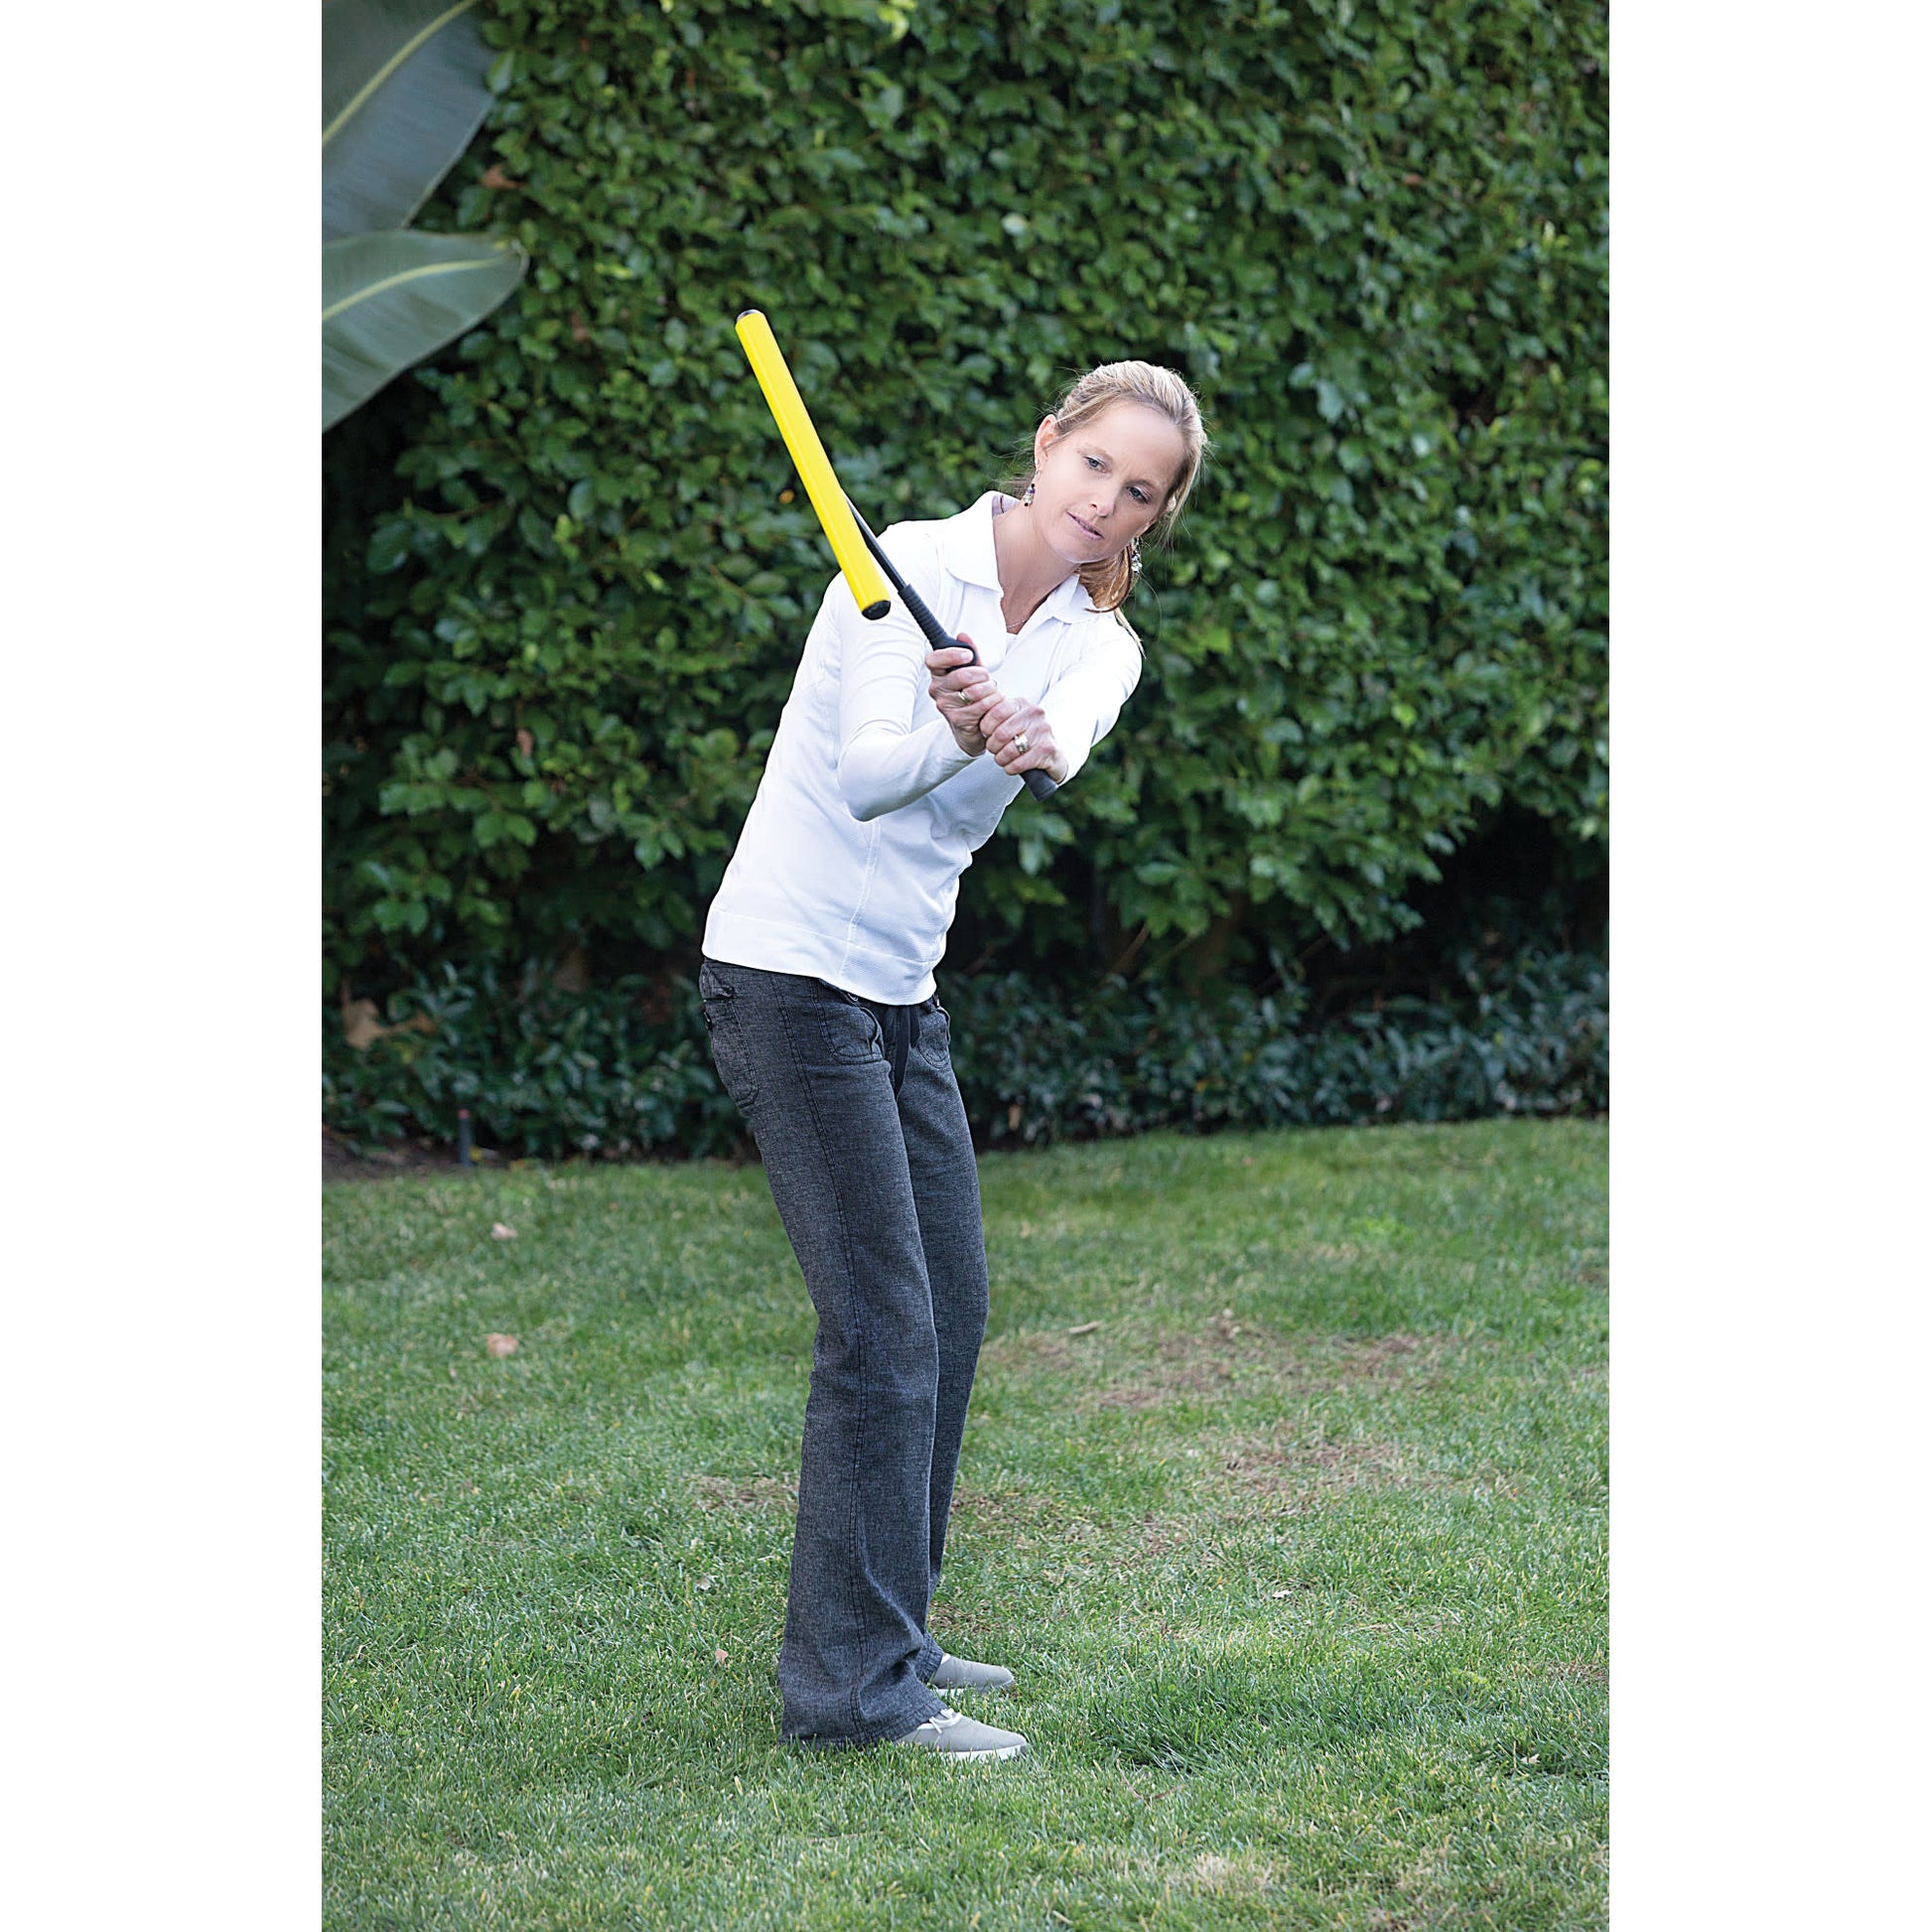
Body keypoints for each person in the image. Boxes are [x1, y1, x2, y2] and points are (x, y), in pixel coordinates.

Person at [698, 360, 1208, 1760]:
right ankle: (850, 1694)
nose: (1105, 501)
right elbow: (868, 773)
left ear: (1152, 520)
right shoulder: (901, 566)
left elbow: (1066, 739)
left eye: (1140, 492)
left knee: (951, 1306)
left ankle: (892, 1623)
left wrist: (1023, 728)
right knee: (882, 1327)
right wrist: (951, 725)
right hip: (787, 970)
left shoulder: (1100, 643)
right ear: (1047, 446)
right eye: (1093, 463)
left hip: (896, 990)